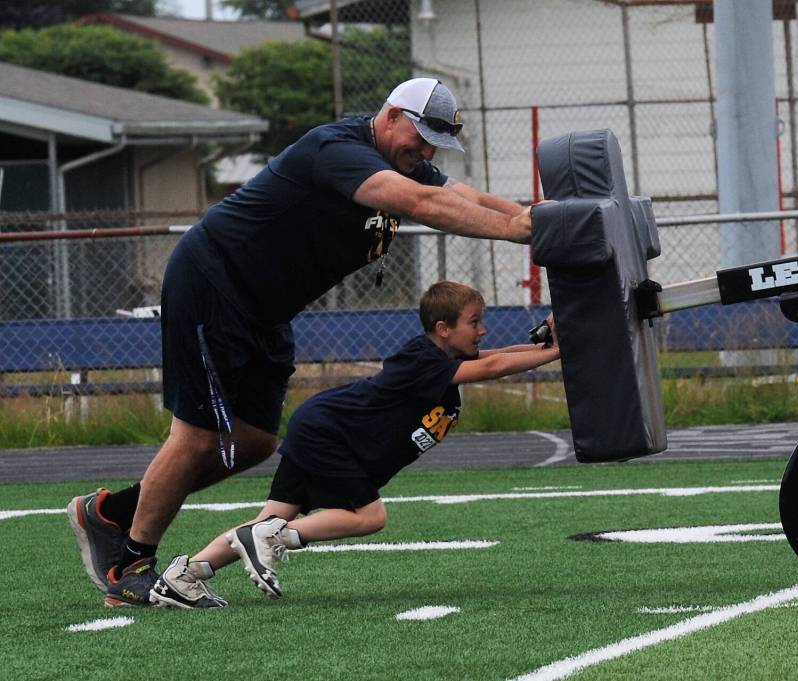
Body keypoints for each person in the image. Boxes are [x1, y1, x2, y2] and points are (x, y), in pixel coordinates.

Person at [67, 78, 539, 608]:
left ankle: (112, 512)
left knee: (252, 442)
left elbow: (463, 195)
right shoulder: (337, 149)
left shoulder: (410, 165)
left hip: (266, 311)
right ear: (390, 116)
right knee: (200, 435)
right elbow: (422, 202)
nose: (425, 151)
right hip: (214, 283)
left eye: (435, 144)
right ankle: (129, 563)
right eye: (420, 136)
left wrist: (537, 219)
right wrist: (514, 233)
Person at [146, 281, 559, 608]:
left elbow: (499, 353)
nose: (482, 330)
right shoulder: (424, 362)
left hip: (323, 430)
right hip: (330, 435)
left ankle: (183, 576)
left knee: (271, 515)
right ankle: (273, 538)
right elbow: (493, 366)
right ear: (443, 329)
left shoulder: (444, 358)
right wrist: (557, 352)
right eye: (474, 322)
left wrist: (550, 346)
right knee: (369, 516)